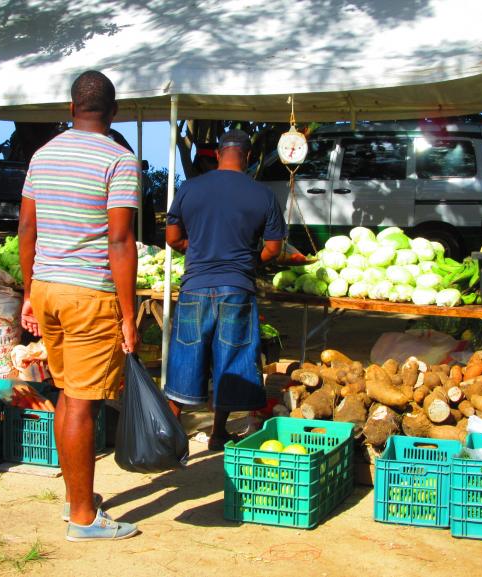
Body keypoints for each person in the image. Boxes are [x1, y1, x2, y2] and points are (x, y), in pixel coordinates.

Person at [18, 70, 140, 542]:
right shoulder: (119, 159)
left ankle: (77, 500)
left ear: (71, 109)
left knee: (69, 395)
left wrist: (28, 292)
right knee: (82, 404)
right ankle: (84, 518)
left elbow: (26, 228)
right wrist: (128, 316)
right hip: (89, 293)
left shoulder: (43, 155)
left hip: (47, 288)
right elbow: (120, 240)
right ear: (114, 113)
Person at [164, 129, 286, 451]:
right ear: (248, 157)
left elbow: (173, 237)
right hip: (237, 288)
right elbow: (274, 248)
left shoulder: (190, 188)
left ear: (218, 154)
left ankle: (169, 436)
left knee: (185, 357)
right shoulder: (263, 195)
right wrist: (249, 261)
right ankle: (218, 434)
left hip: (195, 288)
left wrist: (196, 248)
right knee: (229, 360)